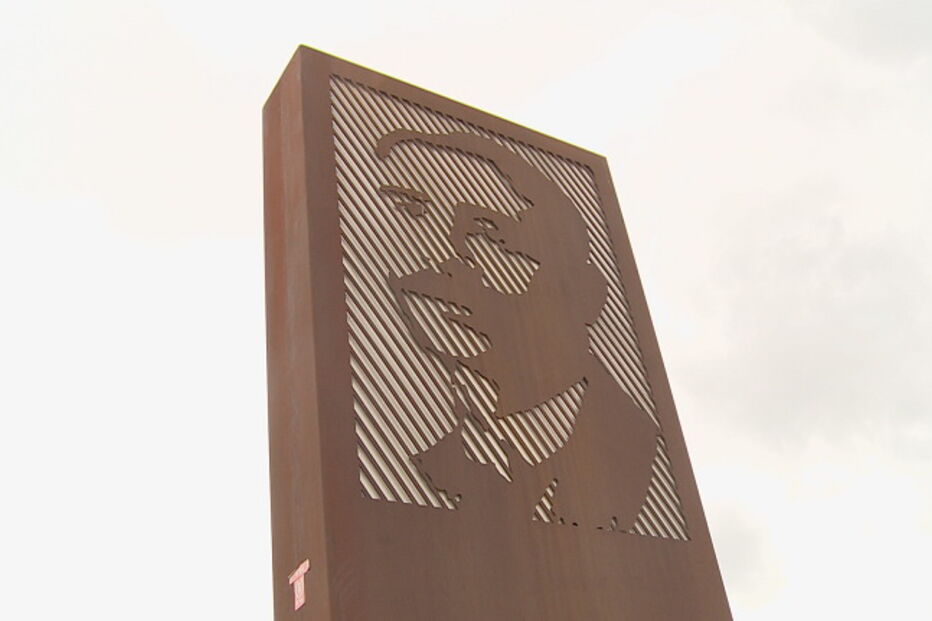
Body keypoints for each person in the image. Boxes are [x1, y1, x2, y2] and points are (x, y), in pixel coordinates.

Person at [376, 130, 656, 529]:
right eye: (412, 212)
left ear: (582, 290)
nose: (440, 257)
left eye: (488, 232)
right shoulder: (402, 454)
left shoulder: (633, 453)